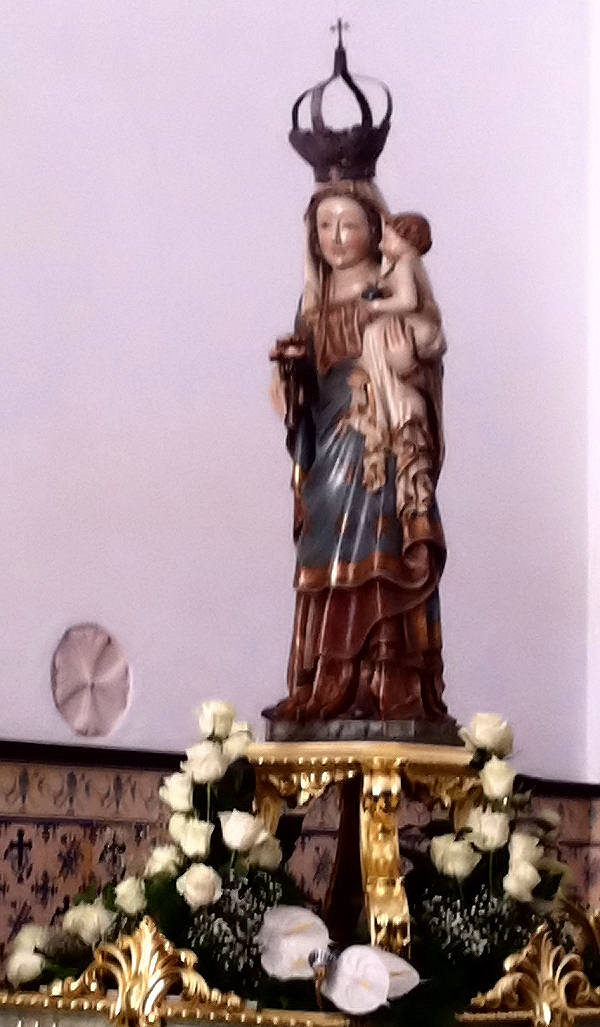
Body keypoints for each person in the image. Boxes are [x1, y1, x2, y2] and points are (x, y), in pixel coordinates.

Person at [267, 180, 447, 724]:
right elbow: (301, 390)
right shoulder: (312, 302)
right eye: (325, 226)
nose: (337, 237)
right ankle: (326, 678)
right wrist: (290, 371)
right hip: (326, 442)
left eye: (349, 225)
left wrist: (401, 356)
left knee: (380, 545)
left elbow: (423, 350)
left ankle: (385, 679)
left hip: (378, 439)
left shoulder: (389, 284)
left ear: (375, 228)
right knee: (324, 546)